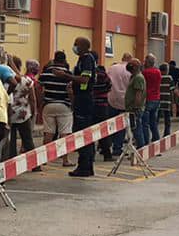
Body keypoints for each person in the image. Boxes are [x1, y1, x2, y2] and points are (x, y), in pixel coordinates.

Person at [39, 51, 75, 165]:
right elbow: (70, 91)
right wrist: (72, 103)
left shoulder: (46, 73)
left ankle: (44, 159)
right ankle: (65, 160)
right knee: (64, 133)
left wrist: (41, 102)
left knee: (48, 133)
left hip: (48, 105)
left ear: (54, 60)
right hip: (64, 106)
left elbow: (38, 87)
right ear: (64, 61)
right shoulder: (68, 74)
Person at [70, 37, 99, 177]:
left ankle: (85, 167)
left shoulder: (87, 60)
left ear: (83, 46)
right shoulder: (83, 59)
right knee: (83, 133)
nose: (74, 46)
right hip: (81, 98)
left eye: (76, 44)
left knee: (82, 133)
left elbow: (84, 80)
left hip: (84, 100)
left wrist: (67, 76)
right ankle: (86, 165)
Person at [8, 59, 38, 159]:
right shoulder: (27, 81)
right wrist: (33, 112)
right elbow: (32, 99)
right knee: (28, 139)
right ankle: (34, 164)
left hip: (9, 114)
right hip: (24, 114)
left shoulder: (6, 81)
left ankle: (11, 161)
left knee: (10, 141)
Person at [106, 53, 133, 156]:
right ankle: (117, 148)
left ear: (122, 58)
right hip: (125, 101)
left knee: (110, 125)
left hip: (111, 99)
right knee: (121, 126)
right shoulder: (130, 71)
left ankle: (106, 146)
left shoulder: (112, 68)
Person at [140, 54, 164, 147]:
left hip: (147, 99)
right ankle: (156, 140)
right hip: (156, 98)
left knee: (145, 123)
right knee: (153, 122)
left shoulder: (145, 72)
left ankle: (146, 142)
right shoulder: (158, 71)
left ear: (147, 62)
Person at [156, 59, 176, 137]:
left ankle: (156, 133)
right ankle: (166, 133)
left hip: (158, 99)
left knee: (156, 118)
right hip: (167, 100)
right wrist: (173, 101)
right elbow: (172, 90)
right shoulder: (169, 78)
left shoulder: (157, 76)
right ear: (167, 70)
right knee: (167, 118)